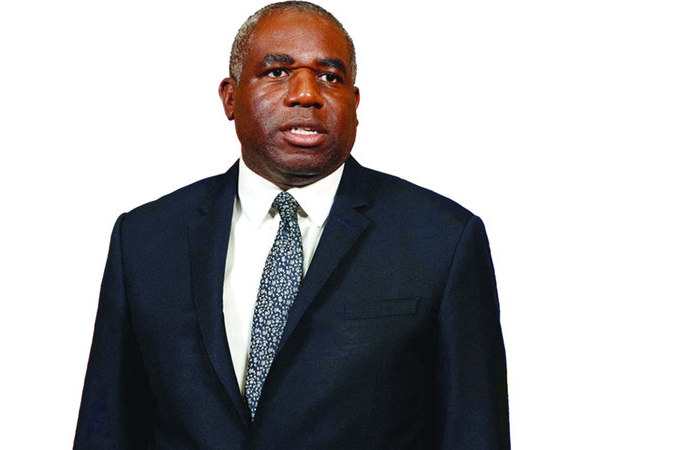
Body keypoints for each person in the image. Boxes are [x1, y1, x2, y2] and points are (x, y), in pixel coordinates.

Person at [74, 2, 510, 448]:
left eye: (330, 77)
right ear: (230, 97)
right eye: (277, 72)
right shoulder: (144, 239)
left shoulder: (441, 240)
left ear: (355, 103)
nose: (306, 94)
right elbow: (106, 428)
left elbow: (475, 432)